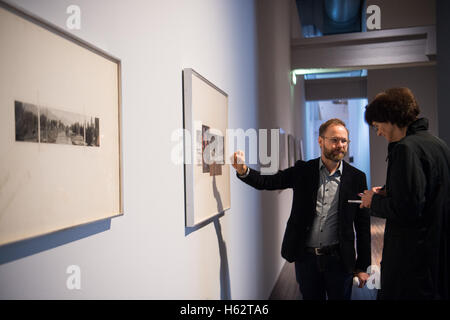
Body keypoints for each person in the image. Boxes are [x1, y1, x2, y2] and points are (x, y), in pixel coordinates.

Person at [232, 119, 371, 300]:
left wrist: (362, 266)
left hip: (339, 259)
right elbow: (271, 181)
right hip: (307, 259)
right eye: (335, 140)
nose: (340, 145)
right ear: (320, 141)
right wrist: (244, 171)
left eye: (344, 141)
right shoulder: (303, 170)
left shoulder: (357, 178)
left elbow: (362, 224)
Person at [360, 87, 450, 300]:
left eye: (377, 126)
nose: (379, 132)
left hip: (411, 261)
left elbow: (408, 209)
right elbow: (426, 193)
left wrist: (373, 201)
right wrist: (389, 191)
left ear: (388, 118)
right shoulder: (437, 145)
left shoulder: (405, 149)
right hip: (436, 253)